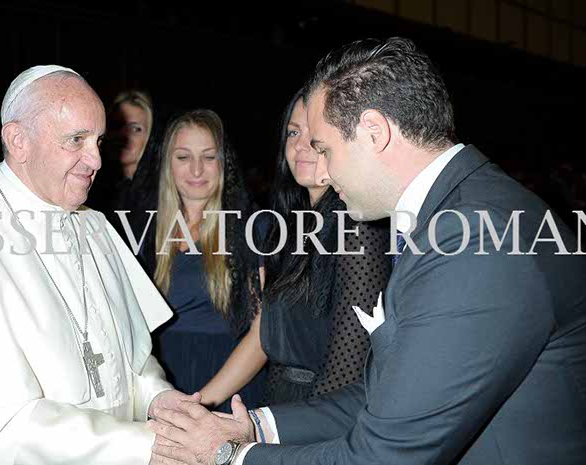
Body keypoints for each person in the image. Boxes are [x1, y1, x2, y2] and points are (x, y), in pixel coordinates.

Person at [148, 37, 586, 465]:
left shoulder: (472, 237)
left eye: (325, 147)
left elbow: (388, 453)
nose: (320, 164)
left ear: (374, 132)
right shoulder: (454, 214)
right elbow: (388, 392)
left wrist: (228, 456)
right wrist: (254, 428)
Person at [0, 65, 198, 465]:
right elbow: (4, 429)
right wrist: (147, 446)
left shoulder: (94, 226)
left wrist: (160, 399)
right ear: (18, 141)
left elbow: (128, 356)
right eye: (76, 140)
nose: (97, 159)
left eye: (99, 140)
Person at [199, 89, 390, 407]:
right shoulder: (283, 229)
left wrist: (287, 434)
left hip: (326, 417)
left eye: (315, 135)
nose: (301, 145)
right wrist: (199, 403)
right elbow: (262, 337)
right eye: (292, 132)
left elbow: (348, 370)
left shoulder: (360, 228)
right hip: (279, 402)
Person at [141, 109, 266, 413]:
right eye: (183, 157)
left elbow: (264, 334)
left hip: (226, 389)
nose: (196, 170)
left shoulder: (252, 228)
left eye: (208, 157)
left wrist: (201, 403)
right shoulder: (144, 233)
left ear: (223, 164)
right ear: (168, 164)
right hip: (158, 387)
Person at [87, 90, 161, 242]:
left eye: (136, 129)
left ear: (150, 137)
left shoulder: (161, 194)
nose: (124, 135)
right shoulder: (92, 186)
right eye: (117, 125)